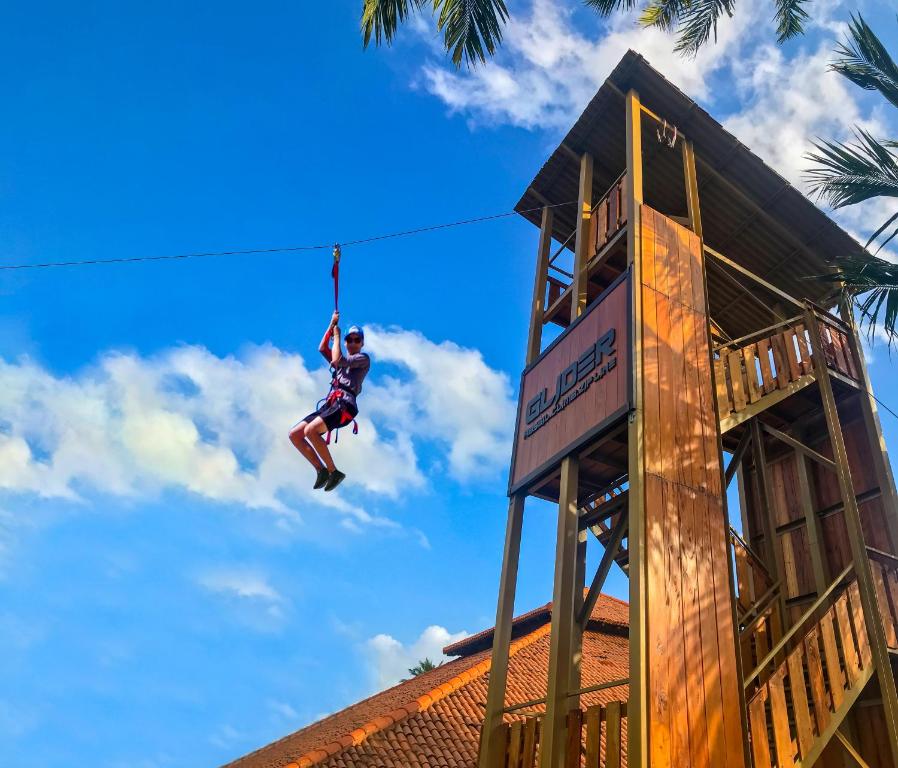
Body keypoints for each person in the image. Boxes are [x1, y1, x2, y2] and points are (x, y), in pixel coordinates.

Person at [289, 312, 370, 491]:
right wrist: (331, 325)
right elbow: (322, 348)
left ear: (362, 343)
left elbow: (337, 359)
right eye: (350, 340)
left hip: (344, 405)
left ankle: (334, 471)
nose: (353, 343)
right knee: (295, 434)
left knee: (311, 431)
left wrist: (337, 336)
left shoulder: (363, 359)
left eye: (357, 340)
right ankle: (321, 470)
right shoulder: (341, 356)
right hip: (331, 403)